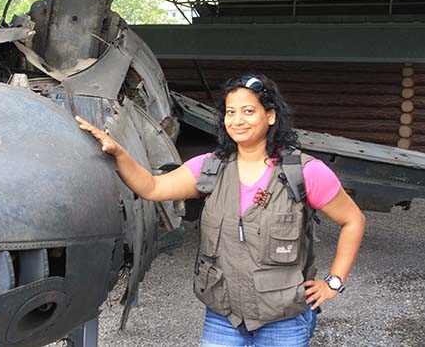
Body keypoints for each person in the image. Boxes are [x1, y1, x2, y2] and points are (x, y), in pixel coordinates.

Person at [75, 73, 366, 347]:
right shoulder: (210, 168)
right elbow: (152, 188)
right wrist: (119, 152)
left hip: (284, 318)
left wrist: (334, 282)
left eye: (248, 111)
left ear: (271, 115)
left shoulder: (304, 172)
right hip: (224, 317)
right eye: (230, 112)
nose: (237, 120)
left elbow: (353, 220)